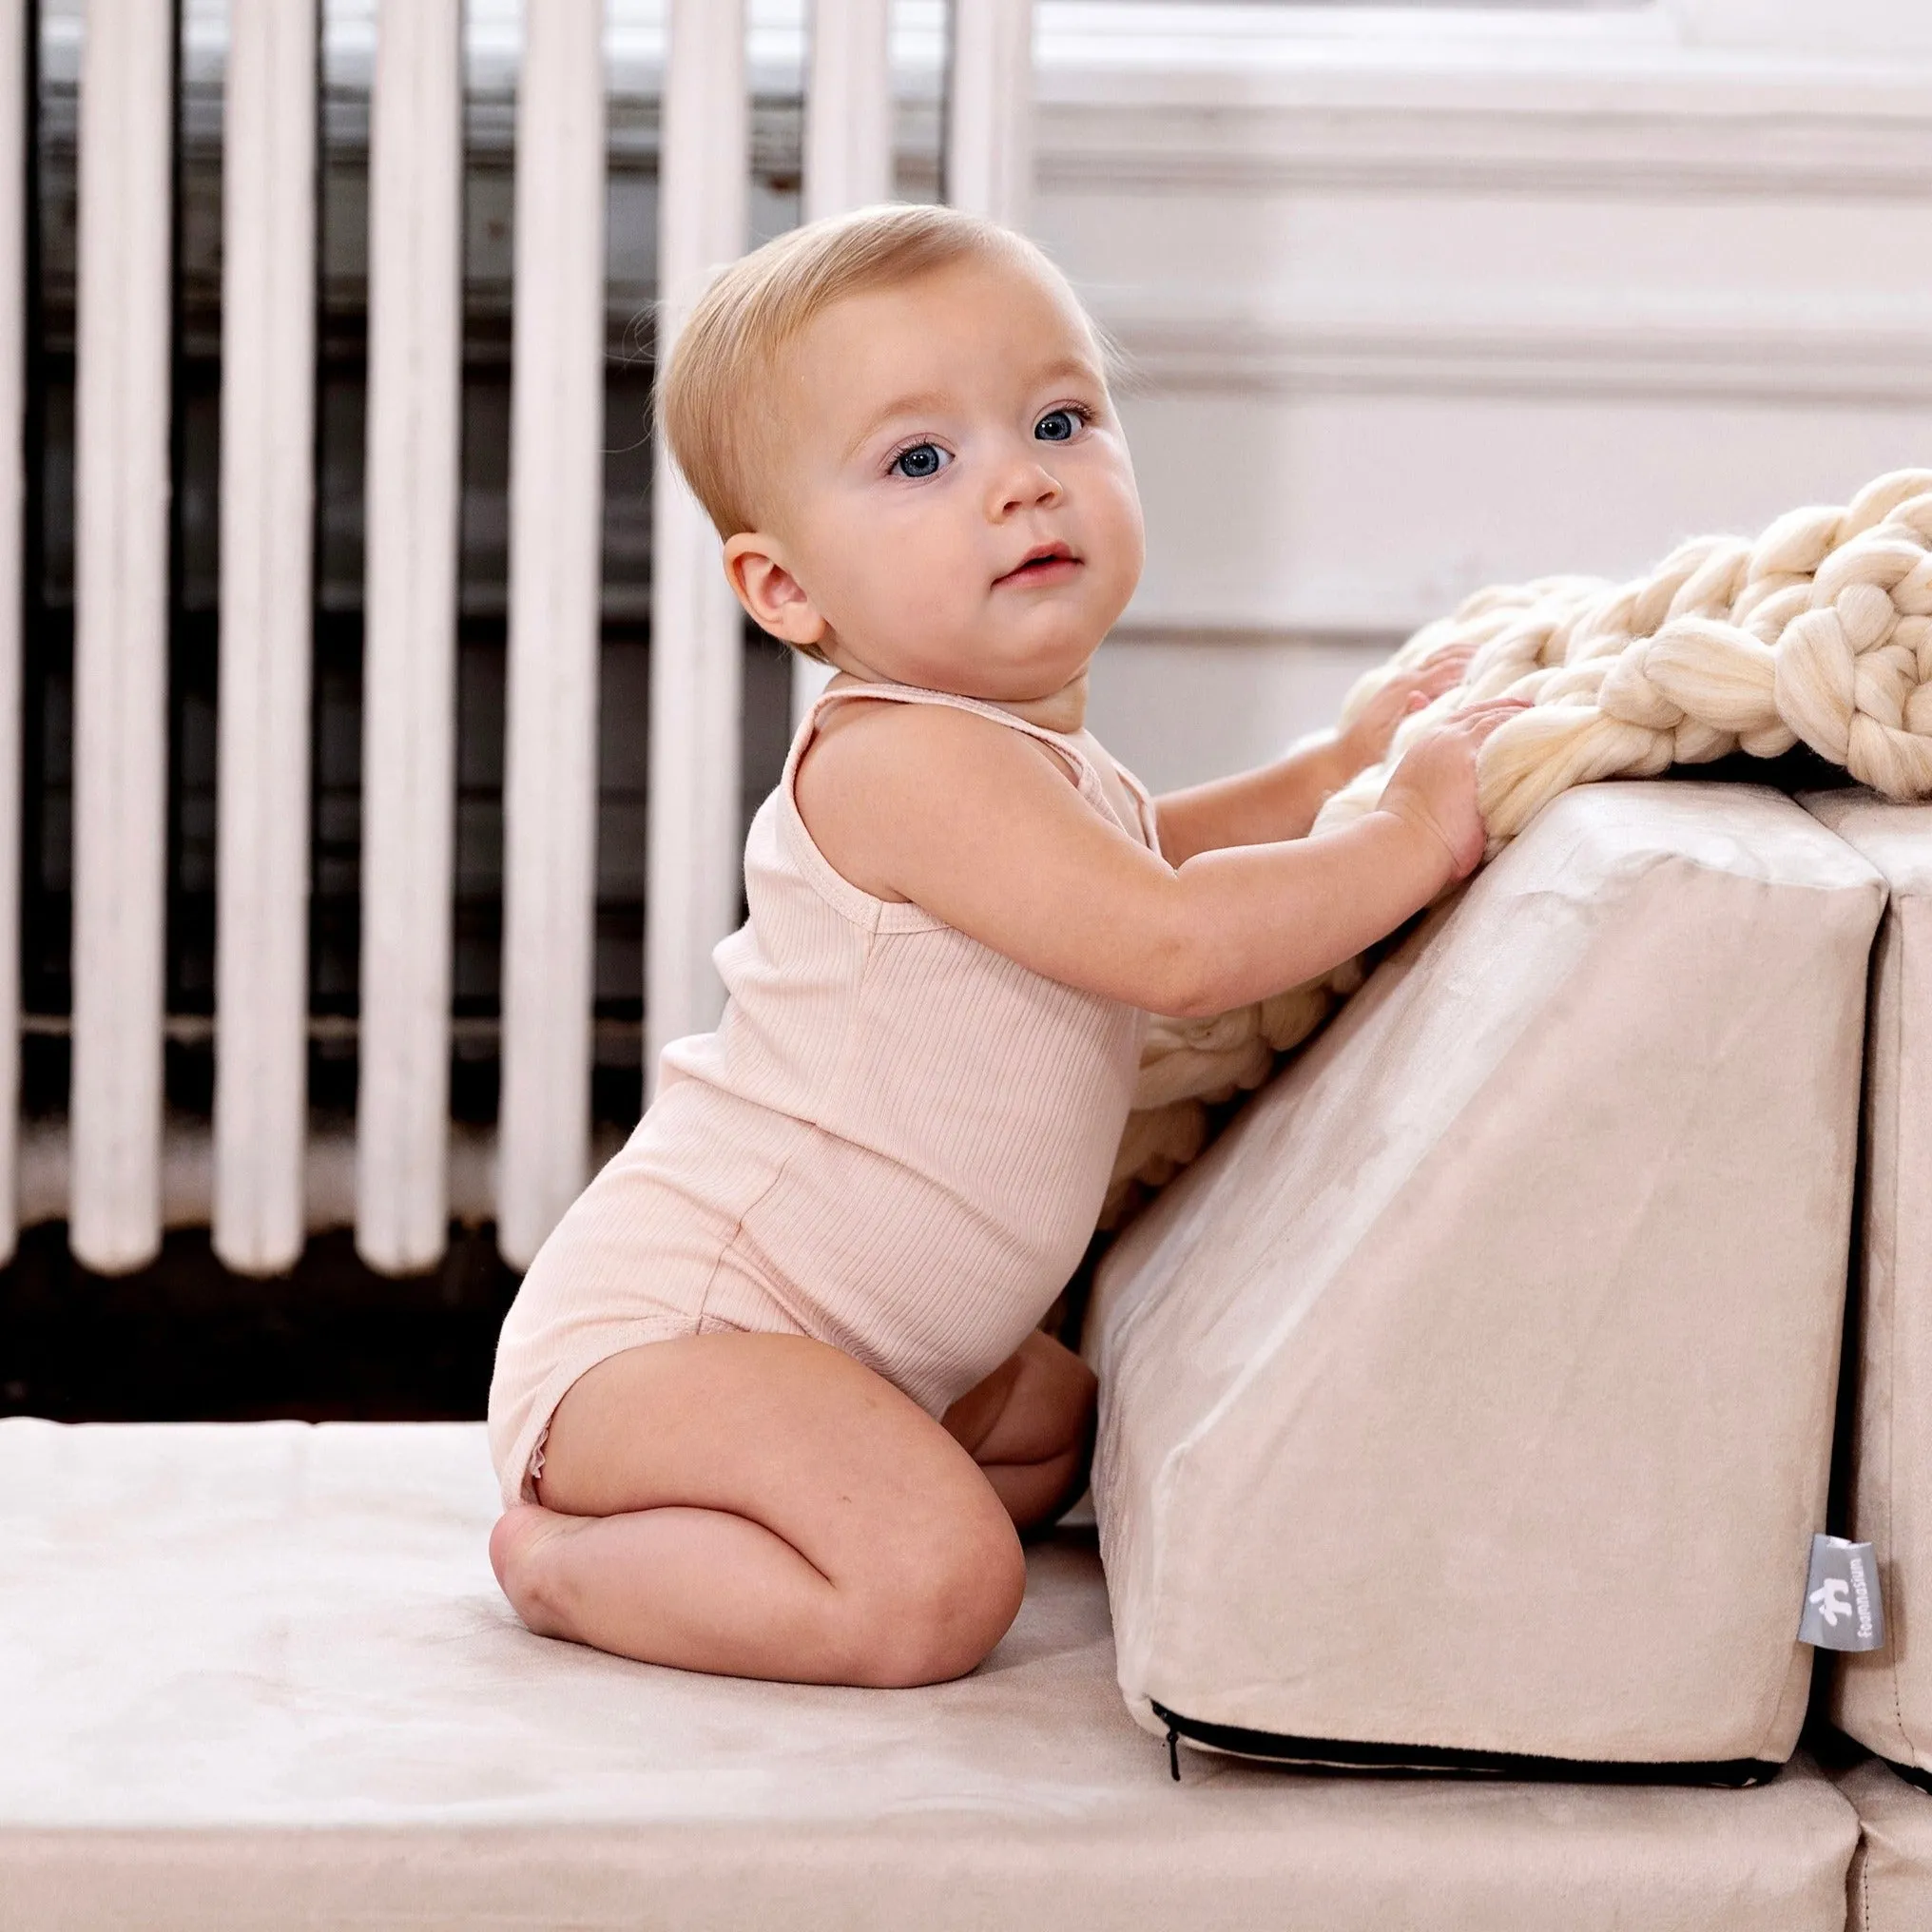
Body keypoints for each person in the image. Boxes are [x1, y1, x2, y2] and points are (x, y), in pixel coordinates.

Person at [486, 203, 1521, 1689]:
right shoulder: (899, 760)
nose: (1023, 483)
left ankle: (788, 1505)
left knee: (1051, 1429)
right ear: (787, 592)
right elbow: (1167, 942)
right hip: (680, 1338)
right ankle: (569, 1567)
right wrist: (1404, 836)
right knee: (936, 1593)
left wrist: (1329, 768)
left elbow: (1144, 852)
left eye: (1059, 418)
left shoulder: (1010, 760)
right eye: (922, 460)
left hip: (868, 1351)